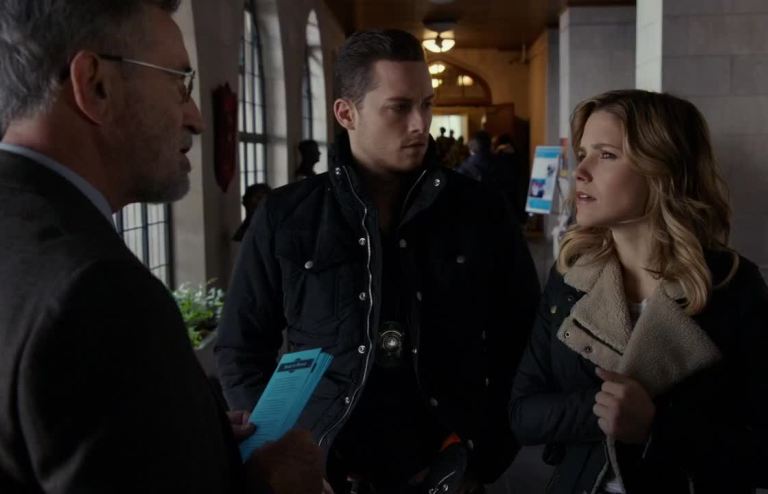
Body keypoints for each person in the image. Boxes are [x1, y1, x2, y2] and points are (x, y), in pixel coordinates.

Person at [0, 1, 323, 492]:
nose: (196, 118)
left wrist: (199, 435)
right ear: (96, 85)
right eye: (179, 83)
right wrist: (272, 484)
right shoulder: (98, 292)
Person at [215, 29, 540, 494]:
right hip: (324, 471)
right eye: (399, 107)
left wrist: (483, 456)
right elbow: (240, 347)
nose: (420, 124)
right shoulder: (286, 217)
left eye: (426, 104)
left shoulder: (481, 211)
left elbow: (523, 339)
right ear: (346, 113)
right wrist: (276, 453)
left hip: (450, 466)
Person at [509, 89, 768, 494]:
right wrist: (604, 409)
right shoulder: (570, 277)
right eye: (583, 153)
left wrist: (655, 426)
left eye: (606, 155)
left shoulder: (730, 286)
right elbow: (523, 413)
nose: (580, 171)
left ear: (661, 170)